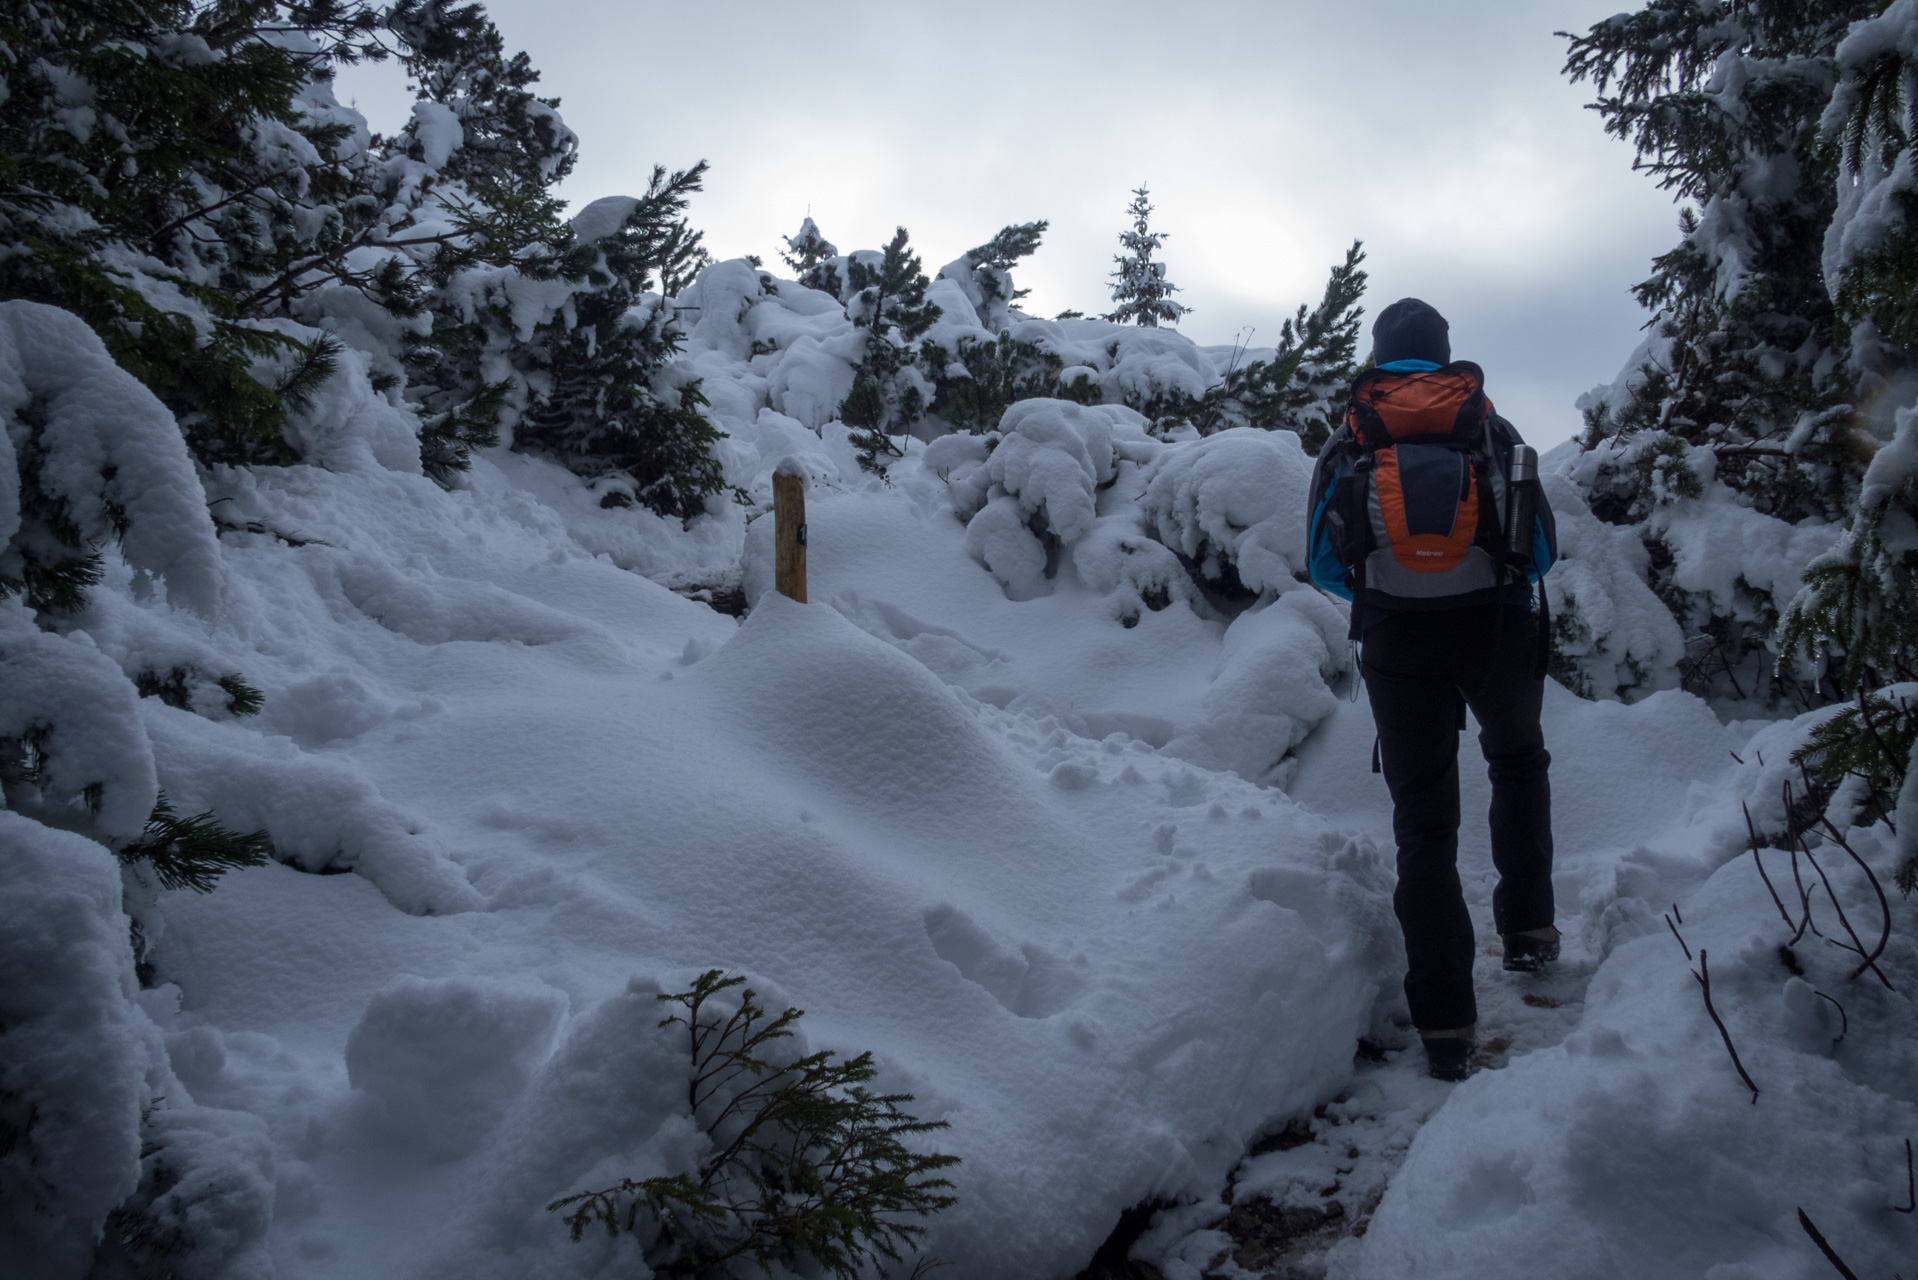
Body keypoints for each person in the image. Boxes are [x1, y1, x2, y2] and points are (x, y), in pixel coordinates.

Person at [1304, 298, 1559, 1082]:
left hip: (1394, 637)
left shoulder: (1352, 434)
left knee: (1424, 827)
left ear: (1380, 354)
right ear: (1445, 354)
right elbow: (1542, 550)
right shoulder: (1489, 425)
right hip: (1495, 629)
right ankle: (1528, 935)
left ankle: (1446, 1024)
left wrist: (1394, 593)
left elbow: (1320, 565)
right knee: (1517, 762)